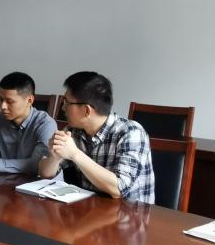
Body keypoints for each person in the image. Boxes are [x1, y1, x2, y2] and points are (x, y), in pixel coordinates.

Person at [38, 72, 155, 203]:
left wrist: (74, 154)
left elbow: (119, 189)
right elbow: (45, 174)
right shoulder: (73, 131)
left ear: (87, 110)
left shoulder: (131, 132)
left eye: (67, 102)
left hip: (130, 212)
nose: (63, 107)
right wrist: (54, 158)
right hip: (89, 208)